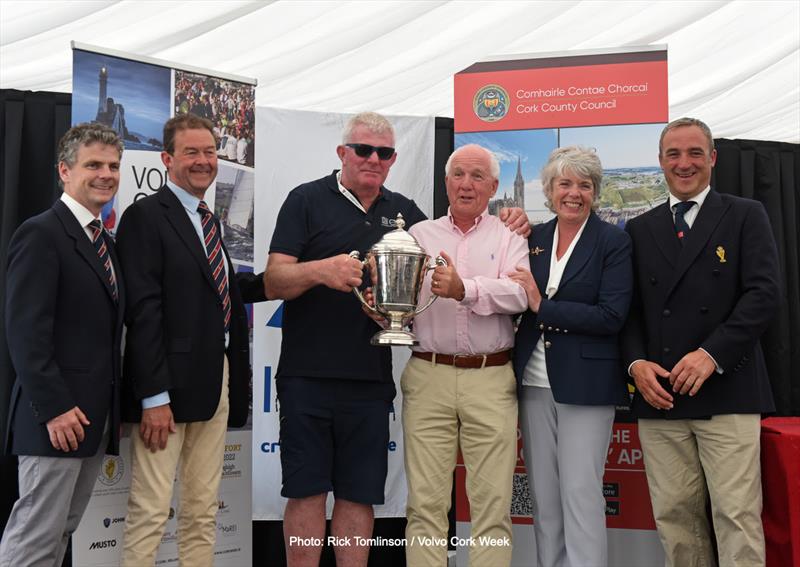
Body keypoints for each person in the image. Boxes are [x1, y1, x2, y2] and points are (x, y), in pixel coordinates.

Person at [264, 115, 529, 567]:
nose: (373, 159)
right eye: (364, 150)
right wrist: (331, 276)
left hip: (390, 380)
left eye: (383, 153)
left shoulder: (429, 222)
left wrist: (473, 277)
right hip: (326, 375)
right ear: (342, 153)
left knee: (368, 497)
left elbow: (522, 294)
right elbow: (273, 279)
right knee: (322, 494)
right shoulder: (321, 204)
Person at [621, 117, 780, 567]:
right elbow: (629, 311)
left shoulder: (746, 214)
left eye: (694, 153)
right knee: (675, 519)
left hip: (729, 391)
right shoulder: (640, 228)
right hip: (662, 396)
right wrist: (635, 365)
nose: (684, 163)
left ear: (712, 158)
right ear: (660, 162)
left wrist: (712, 354)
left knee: (736, 515)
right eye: (674, 154)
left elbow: (765, 294)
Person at [115, 113, 265, 566]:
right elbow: (142, 314)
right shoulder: (144, 216)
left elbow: (214, 294)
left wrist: (281, 281)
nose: (204, 161)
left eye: (210, 152)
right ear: (167, 159)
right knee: (151, 510)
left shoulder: (209, 221)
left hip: (214, 380)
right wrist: (154, 397)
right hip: (167, 387)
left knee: (203, 510)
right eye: (191, 152)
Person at [0, 123, 125, 566]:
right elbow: (25, 332)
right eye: (93, 164)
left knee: (59, 534)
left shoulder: (104, 242)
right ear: (64, 171)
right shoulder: (42, 234)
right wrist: (53, 407)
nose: (106, 174)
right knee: (34, 539)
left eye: (113, 165)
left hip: (92, 422)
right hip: (55, 421)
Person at [402, 144, 529, 567]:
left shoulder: (510, 236)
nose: (466, 184)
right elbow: (399, 300)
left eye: (477, 177)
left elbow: (520, 295)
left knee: (492, 507)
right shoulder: (419, 235)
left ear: (494, 187)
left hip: (490, 379)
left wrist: (466, 289)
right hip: (428, 374)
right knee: (425, 505)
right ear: (445, 183)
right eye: (458, 174)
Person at [510, 146, 632, 567]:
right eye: (565, 183)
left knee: (580, 492)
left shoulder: (613, 242)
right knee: (543, 498)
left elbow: (611, 315)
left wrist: (541, 306)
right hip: (533, 384)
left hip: (587, 387)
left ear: (595, 191)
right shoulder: (534, 238)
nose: (574, 193)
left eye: (584, 184)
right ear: (549, 190)